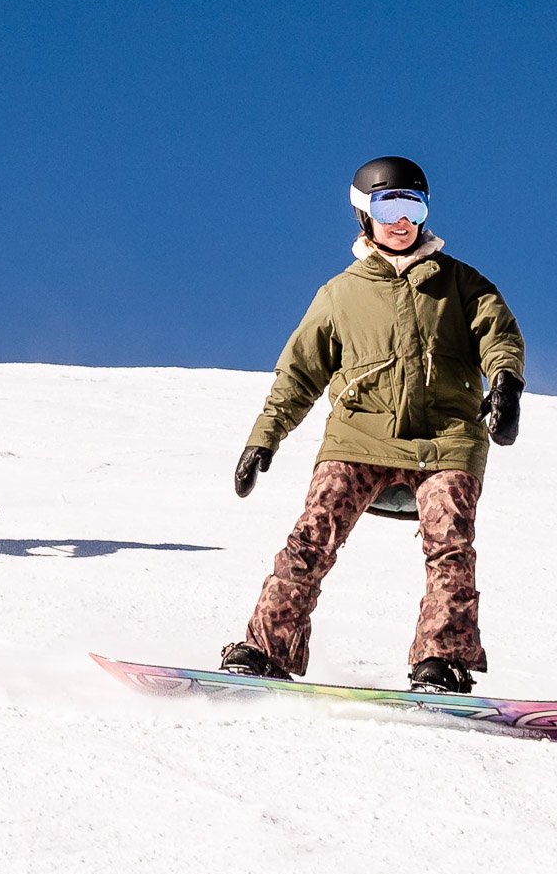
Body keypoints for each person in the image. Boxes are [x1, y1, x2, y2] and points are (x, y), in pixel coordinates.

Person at [221, 157, 525, 693]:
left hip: (446, 439)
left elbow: (498, 336)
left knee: (450, 545)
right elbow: (298, 374)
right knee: (311, 537)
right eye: (389, 206)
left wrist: (504, 386)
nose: (403, 220)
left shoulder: (461, 283)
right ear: (364, 214)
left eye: (414, 206)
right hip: (359, 435)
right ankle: (266, 649)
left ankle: (442, 661)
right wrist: (263, 439)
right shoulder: (341, 294)